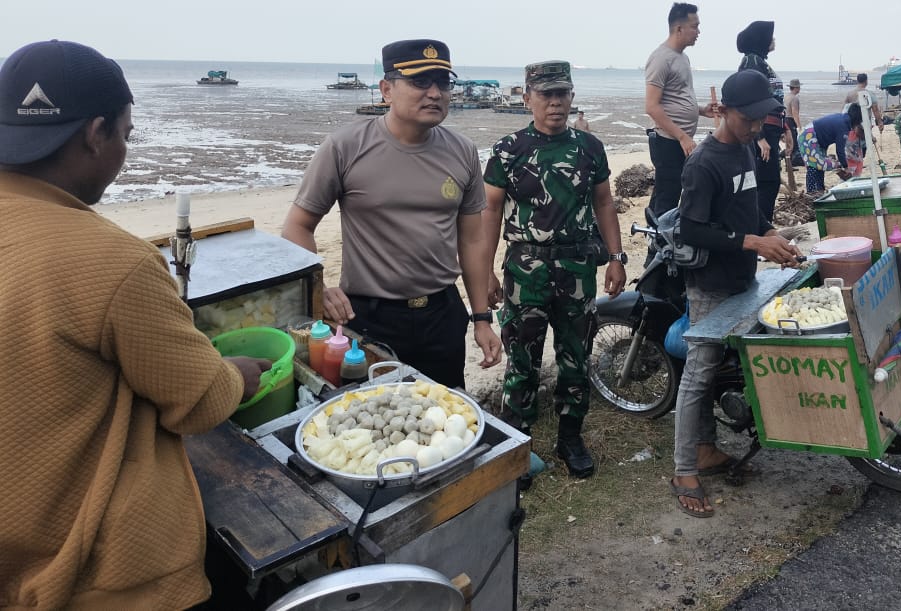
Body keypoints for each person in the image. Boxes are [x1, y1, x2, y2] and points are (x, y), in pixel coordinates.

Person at [0, 40, 270, 609]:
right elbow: (197, 401)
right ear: (95, 134)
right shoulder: (111, 261)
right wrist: (235, 374)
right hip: (102, 579)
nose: (124, 149)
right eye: (127, 133)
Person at [282, 39, 502, 389]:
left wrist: (481, 319)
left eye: (443, 83)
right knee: (371, 420)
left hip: (442, 314)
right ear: (386, 89)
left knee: (443, 417)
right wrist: (318, 284)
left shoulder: (462, 151)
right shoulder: (344, 148)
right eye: (420, 82)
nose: (434, 93)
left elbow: (472, 240)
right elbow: (297, 226)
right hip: (368, 319)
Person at [483, 61, 626, 479]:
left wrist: (616, 258)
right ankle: (516, 446)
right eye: (545, 95)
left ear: (572, 97)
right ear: (527, 97)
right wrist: (488, 273)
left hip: (577, 267)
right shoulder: (509, 149)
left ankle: (570, 438)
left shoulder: (588, 147)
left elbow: (604, 202)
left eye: (562, 94)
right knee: (521, 360)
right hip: (524, 267)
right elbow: (490, 211)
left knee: (575, 356)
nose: (555, 103)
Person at [669, 69, 799, 517]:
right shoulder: (703, 163)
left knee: (721, 366)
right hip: (709, 285)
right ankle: (684, 468)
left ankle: (706, 447)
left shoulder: (746, 148)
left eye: (762, 118)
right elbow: (691, 228)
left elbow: (750, 209)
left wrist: (771, 234)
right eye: (748, 119)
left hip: (743, 276)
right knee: (698, 373)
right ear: (724, 111)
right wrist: (752, 242)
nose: (756, 126)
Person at [644, 2, 718, 217]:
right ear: (679, 29)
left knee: (666, 193)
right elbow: (651, 106)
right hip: (667, 139)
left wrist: (703, 110)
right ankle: (659, 246)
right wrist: (682, 137)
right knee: (668, 197)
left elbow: (677, 98)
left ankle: (655, 237)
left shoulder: (682, 57)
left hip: (678, 139)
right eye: (695, 26)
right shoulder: (660, 58)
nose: (699, 32)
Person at [735, 20, 786, 223]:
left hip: (771, 130)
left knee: (769, 181)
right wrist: (759, 136)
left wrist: (786, 128)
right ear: (761, 39)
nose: (773, 40)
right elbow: (748, 99)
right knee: (767, 182)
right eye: (770, 36)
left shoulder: (759, 61)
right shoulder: (752, 62)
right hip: (761, 132)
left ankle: (763, 229)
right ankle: (761, 232)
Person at [798, 104, 865, 194]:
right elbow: (840, 150)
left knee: (820, 167)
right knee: (813, 166)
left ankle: (819, 190)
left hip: (818, 140)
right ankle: (811, 192)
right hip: (808, 137)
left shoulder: (844, 120)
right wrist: (846, 167)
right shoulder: (843, 126)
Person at [784, 78, 803, 167]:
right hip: (790, 120)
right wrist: (799, 127)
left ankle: (789, 163)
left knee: (788, 143)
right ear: (796, 88)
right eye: (799, 87)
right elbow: (795, 113)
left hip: (785, 120)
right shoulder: (794, 98)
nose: (799, 89)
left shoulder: (786, 96)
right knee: (793, 142)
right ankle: (793, 161)